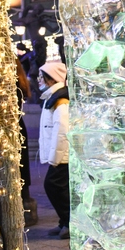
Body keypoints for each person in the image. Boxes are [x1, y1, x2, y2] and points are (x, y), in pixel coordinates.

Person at [0, 59, 37, 227]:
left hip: (7, 129)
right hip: (5, 129)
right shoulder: (15, 81)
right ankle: (9, 209)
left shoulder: (10, 83)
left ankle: (14, 210)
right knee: (9, 170)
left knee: (11, 170)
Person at [38, 61, 70, 239]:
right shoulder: (52, 97)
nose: (38, 80)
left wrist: (55, 157)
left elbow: (62, 131)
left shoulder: (60, 100)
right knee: (58, 187)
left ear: (51, 79)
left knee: (53, 186)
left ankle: (69, 222)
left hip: (63, 155)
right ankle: (64, 222)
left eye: (42, 76)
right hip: (60, 154)